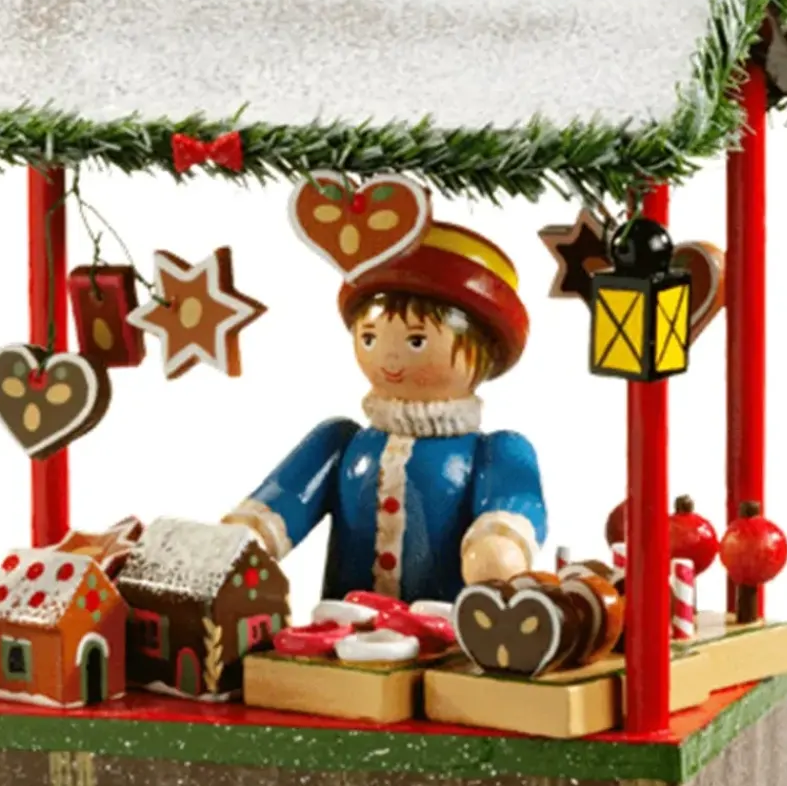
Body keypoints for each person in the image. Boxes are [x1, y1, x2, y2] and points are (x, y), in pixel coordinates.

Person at [224, 216, 546, 603]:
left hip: (444, 627)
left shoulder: (494, 452)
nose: (390, 357)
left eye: (416, 341)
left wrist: (499, 545)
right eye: (370, 337)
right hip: (341, 627)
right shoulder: (338, 441)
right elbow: (286, 499)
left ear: (486, 352)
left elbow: (514, 502)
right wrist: (246, 540)